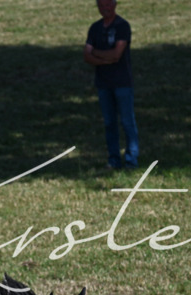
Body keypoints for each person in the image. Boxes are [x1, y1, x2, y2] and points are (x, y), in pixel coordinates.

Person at [84, 0, 139, 170]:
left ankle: (131, 160)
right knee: (109, 123)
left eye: (108, 4)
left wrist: (97, 54)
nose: (105, 7)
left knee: (127, 122)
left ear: (115, 4)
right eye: (101, 4)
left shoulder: (122, 26)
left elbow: (116, 54)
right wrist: (106, 58)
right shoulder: (95, 28)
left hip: (122, 82)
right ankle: (113, 160)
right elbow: (87, 56)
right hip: (103, 83)